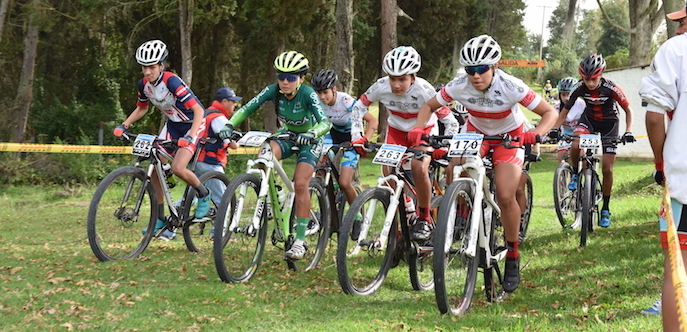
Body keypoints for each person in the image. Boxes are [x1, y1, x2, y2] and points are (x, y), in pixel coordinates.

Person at [415, 35, 557, 293]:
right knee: (452, 168)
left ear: (495, 67)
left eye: (481, 69)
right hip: (476, 133)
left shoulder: (512, 86)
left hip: (507, 137)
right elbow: (428, 106)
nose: (475, 76)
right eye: (470, 70)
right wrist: (417, 129)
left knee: (504, 195)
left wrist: (535, 134)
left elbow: (551, 113)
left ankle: (512, 254)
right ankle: (461, 212)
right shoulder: (459, 86)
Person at [218, 51, 331, 260]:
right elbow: (247, 108)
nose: (285, 82)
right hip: (287, 134)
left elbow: (325, 122)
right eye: (281, 77)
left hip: (311, 139)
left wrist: (313, 133)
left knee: (300, 184)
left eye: (291, 77)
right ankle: (275, 194)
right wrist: (229, 124)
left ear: (301, 79)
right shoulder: (274, 91)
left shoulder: (308, 94)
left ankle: (300, 240)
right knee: (264, 155)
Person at [350, 46, 459, 243]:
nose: (396, 84)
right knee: (388, 172)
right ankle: (407, 208)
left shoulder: (425, 90)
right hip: (397, 133)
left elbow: (451, 121)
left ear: (413, 76)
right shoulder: (380, 86)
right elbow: (359, 107)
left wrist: (444, 146)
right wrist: (357, 135)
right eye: (393, 78)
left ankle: (424, 217)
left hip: (424, 131)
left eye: (402, 79)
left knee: (419, 168)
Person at [113, 39, 211, 241]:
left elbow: (199, 110)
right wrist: (125, 125)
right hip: (173, 126)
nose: (147, 72)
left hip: (194, 124)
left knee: (178, 167)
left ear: (162, 65)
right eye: (143, 67)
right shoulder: (144, 85)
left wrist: (191, 136)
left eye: (151, 67)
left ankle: (203, 194)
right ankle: (159, 217)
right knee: (155, 168)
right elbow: (142, 107)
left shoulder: (171, 81)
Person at [639, 3, 687, 318]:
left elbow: (655, 117)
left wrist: (660, 163)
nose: (678, 27)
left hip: (684, 181)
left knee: (677, 268)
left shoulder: (675, 50)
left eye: (682, 21)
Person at [552, 53, 635, 228]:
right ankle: (575, 174)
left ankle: (605, 208)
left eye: (594, 79)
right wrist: (555, 129)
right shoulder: (579, 88)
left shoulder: (612, 88)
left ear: (601, 74)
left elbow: (628, 111)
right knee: (575, 143)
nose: (590, 83)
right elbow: (565, 111)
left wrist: (628, 131)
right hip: (588, 121)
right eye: (586, 79)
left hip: (609, 124)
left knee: (607, 168)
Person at [311, 69, 378, 206]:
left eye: (325, 92)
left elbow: (373, 121)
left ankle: (356, 216)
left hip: (353, 138)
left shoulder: (346, 101)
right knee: (320, 167)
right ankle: (326, 206)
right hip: (334, 135)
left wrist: (365, 140)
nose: (322, 97)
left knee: (344, 182)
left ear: (334, 89)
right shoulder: (318, 104)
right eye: (319, 93)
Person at [195, 87, 241, 205]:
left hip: (197, 160)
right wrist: (239, 143)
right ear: (224, 101)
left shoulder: (206, 113)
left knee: (193, 194)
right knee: (223, 200)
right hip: (210, 162)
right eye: (233, 101)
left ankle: (175, 218)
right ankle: (221, 224)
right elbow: (232, 144)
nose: (235, 105)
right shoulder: (219, 118)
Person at [551, 77, 586, 162]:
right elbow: (551, 123)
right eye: (563, 95)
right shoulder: (556, 108)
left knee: (583, 156)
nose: (566, 98)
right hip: (566, 135)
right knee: (561, 157)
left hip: (581, 135)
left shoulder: (582, 105)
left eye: (569, 94)